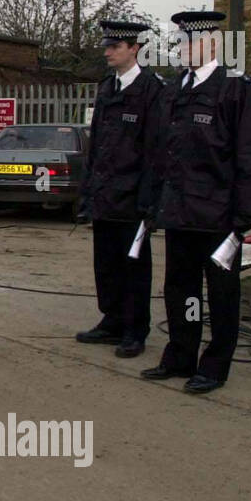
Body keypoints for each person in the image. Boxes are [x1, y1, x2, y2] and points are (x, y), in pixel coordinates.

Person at [141, 11, 251, 393]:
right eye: (180, 41)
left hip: (219, 215)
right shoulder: (174, 90)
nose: (183, 48)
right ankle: (181, 353)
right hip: (181, 212)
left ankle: (214, 365)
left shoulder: (236, 89)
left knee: (222, 293)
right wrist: (154, 203)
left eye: (190, 41)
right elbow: (162, 153)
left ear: (214, 43)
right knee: (182, 289)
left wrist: (243, 216)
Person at [76, 20, 166, 358]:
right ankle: (112, 320)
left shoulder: (152, 90)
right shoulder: (107, 89)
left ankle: (134, 329)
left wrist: (148, 201)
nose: (107, 52)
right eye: (106, 46)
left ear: (134, 49)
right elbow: (96, 146)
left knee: (135, 267)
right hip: (105, 196)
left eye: (115, 46)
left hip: (133, 200)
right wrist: (87, 193)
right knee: (107, 264)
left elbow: (155, 152)